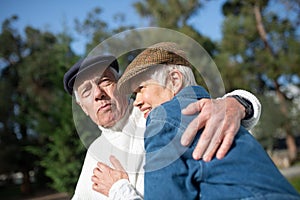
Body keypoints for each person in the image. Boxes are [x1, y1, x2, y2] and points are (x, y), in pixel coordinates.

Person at [114, 42, 300, 199]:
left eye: (141, 88)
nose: (136, 101)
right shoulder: (222, 118)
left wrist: (120, 190)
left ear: (174, 80)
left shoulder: (165, 117)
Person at [63, 54, 262, 199]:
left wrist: (238, 103)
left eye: (105, 81)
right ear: (83, 107)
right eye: (87, 91)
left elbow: (208, 107)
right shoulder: (94, 153)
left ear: (122, 85)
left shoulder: (156, 114)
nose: (98, 93)